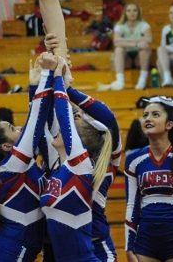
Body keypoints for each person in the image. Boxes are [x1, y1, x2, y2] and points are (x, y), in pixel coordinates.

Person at [45, 32, 122, 262]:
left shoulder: (103, 165)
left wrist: (66, 87)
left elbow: (108, 120)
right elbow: (47, 109)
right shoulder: (58, 156)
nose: (71, 116)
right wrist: (52, 62)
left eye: (77, 118)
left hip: (96, 251)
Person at [0, 55, 56, 261]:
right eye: (12, 128)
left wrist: (34, 85)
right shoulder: (12, 166)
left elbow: (34, 125)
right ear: (6, 146)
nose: (19, 128)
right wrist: (45, 77)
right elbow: (34, 122)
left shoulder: (23, 162)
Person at [124, 96, 173, 262]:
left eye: (155, 114)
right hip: (145, 240)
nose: (148, 119)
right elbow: (131, 205)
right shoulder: (133, 160)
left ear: (169, 124)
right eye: (145, 115)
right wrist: (128, 246)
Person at [106, 2, 153, 91]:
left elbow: (148, 40)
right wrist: (136, 43)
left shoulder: (144, 25)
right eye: (129, 11)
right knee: (119, 49)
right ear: (125, 13)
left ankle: (142, 80)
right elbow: (116, 42)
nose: (132, 13)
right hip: (126, 58)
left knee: (144, 49)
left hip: (139, 58)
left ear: (138, 12)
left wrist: (124, 41)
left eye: (135, 10)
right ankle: (120, 81)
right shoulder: (119, 26)